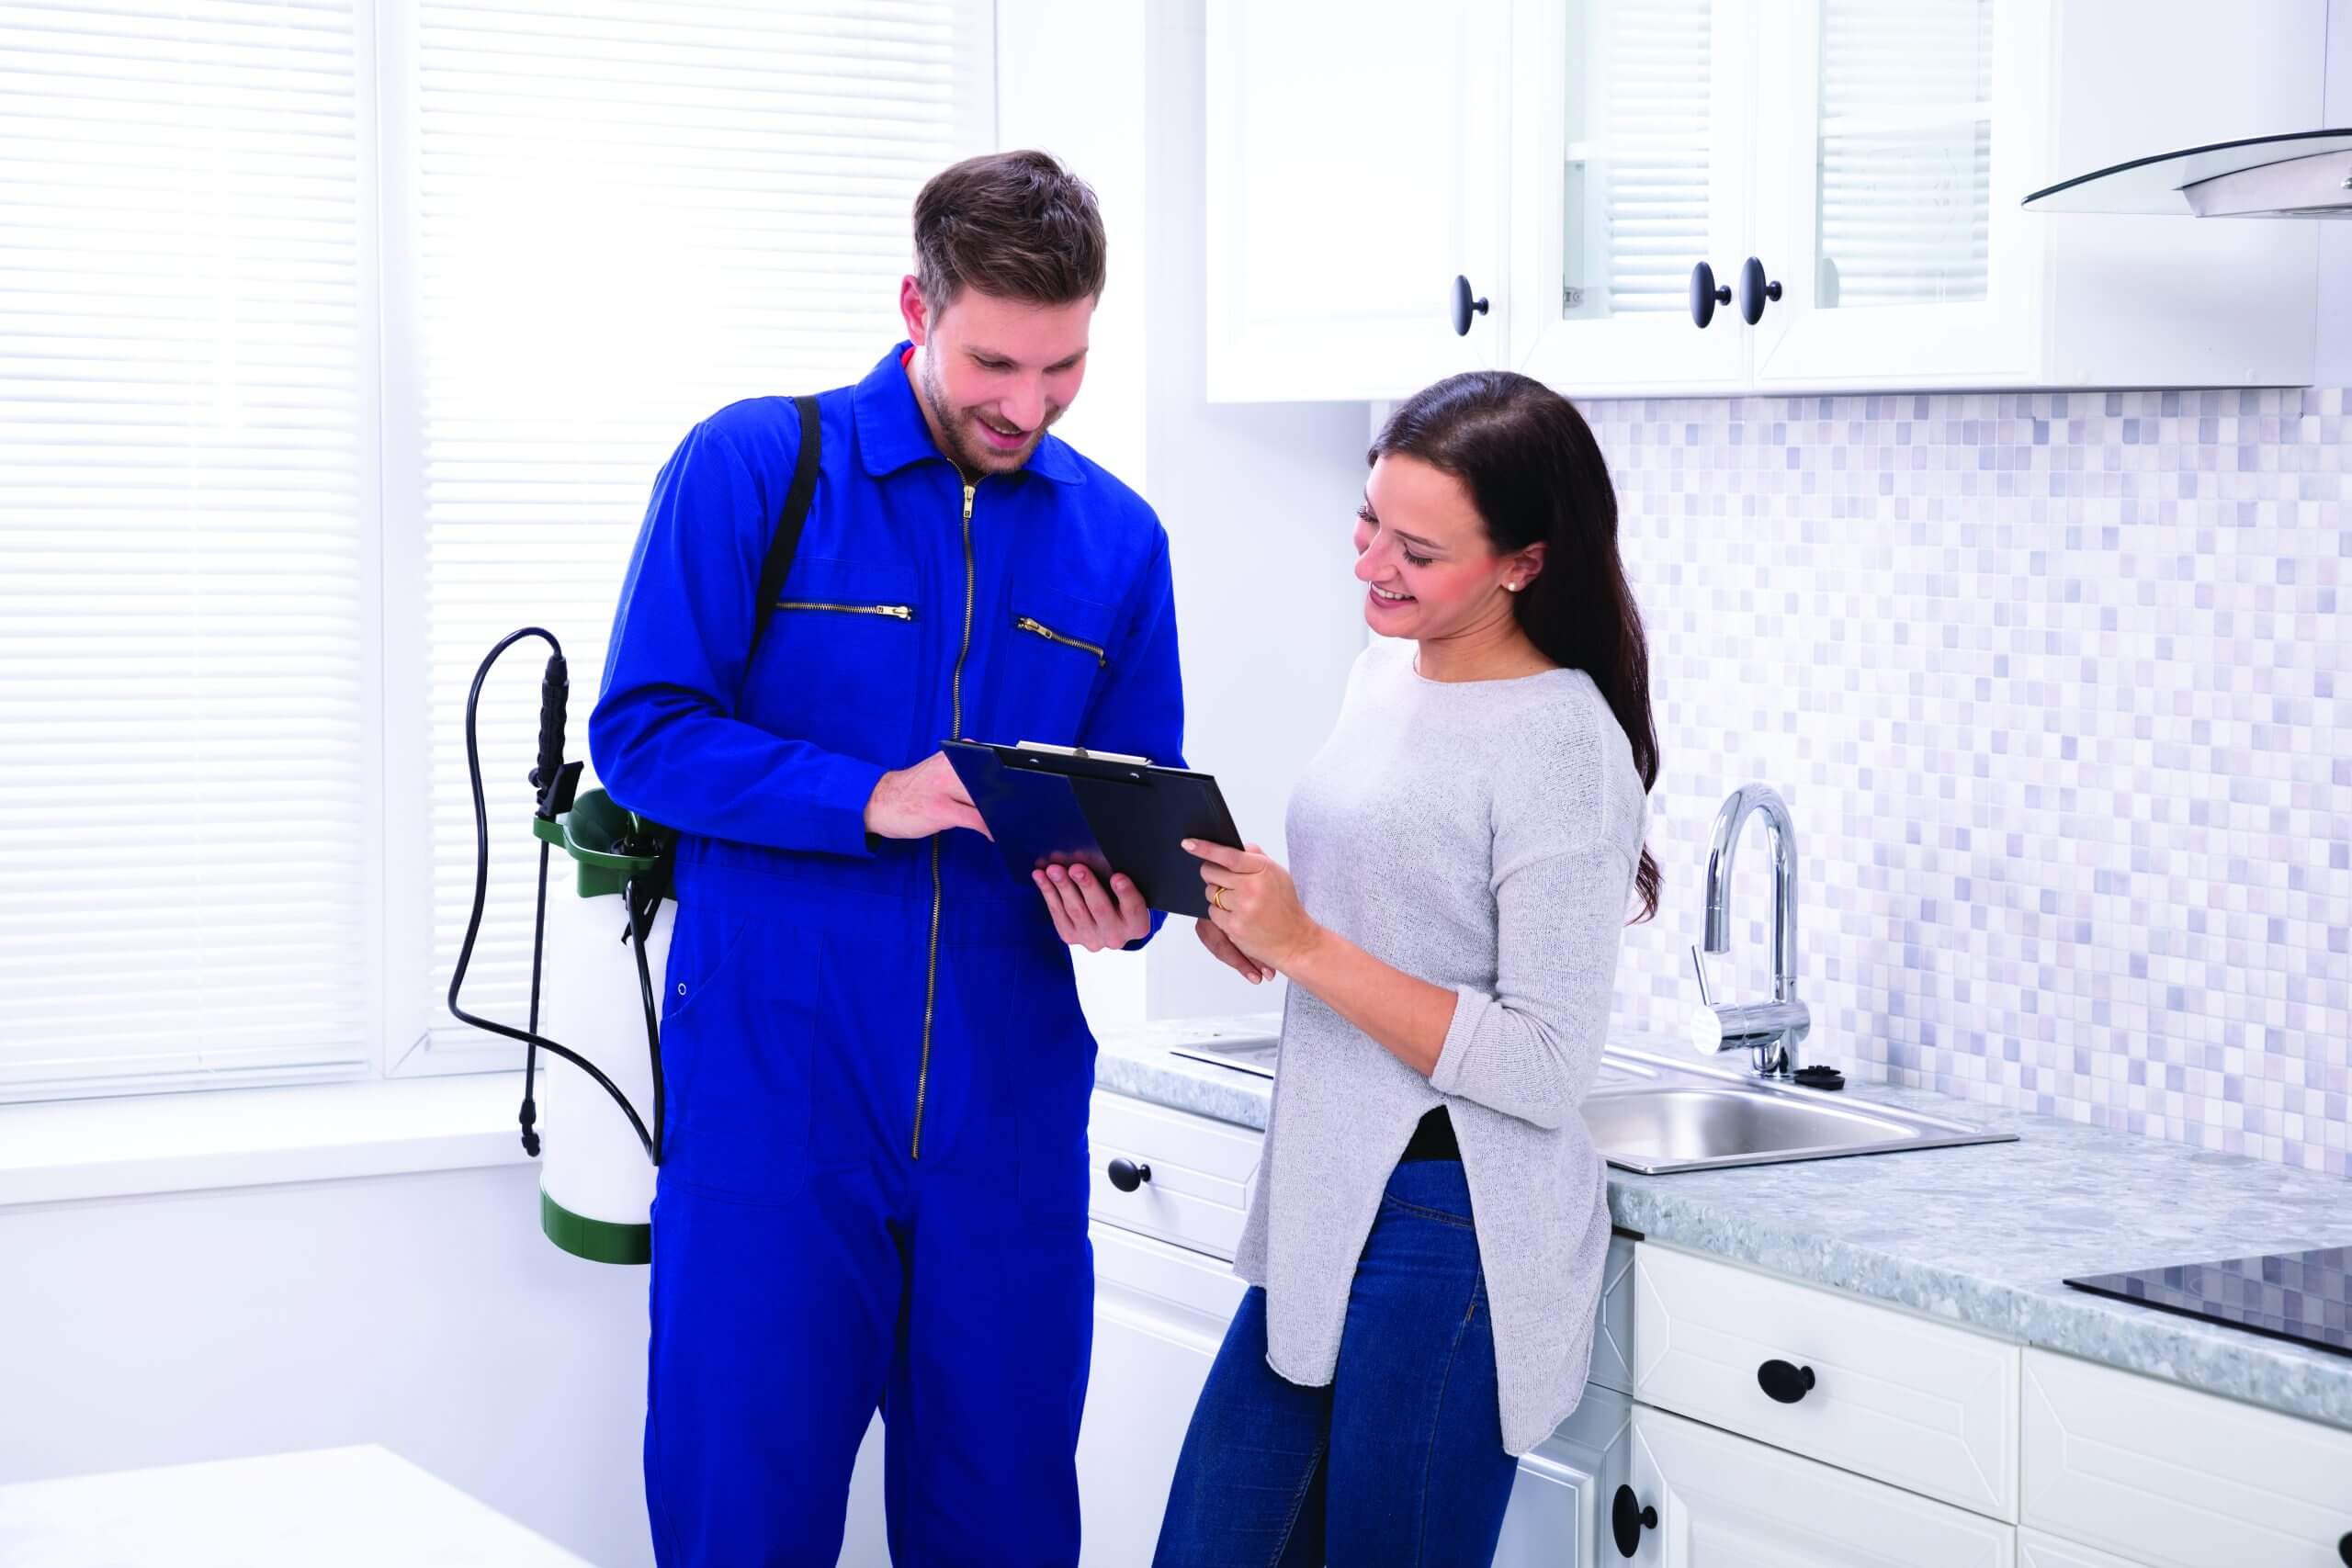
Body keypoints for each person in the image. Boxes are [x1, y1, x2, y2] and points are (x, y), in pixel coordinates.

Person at [590, 150, 1184, 1567]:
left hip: (1011, 1117)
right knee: (744, 1521)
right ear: (915, 306)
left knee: (1006, 1530)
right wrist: (870, 796)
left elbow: (1140, 807)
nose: (1026, 407)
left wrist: (1127, 911)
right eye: (994, 362)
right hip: (778, 1109)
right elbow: (644, 733)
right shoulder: (755, 466)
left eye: (1065, 369)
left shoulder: (1118, 539)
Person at [1155, 371, 1660, 1566]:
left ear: (1523, 564)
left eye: (1417, 548)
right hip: (1325, 1189)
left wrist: (1307, 945)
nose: (1372, 562)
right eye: (1368, 520)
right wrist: (1254, 928)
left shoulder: (1561, 743)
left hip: (1454, 1217)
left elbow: (1541, 1065)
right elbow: (1377, 932)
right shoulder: (1385, 671)